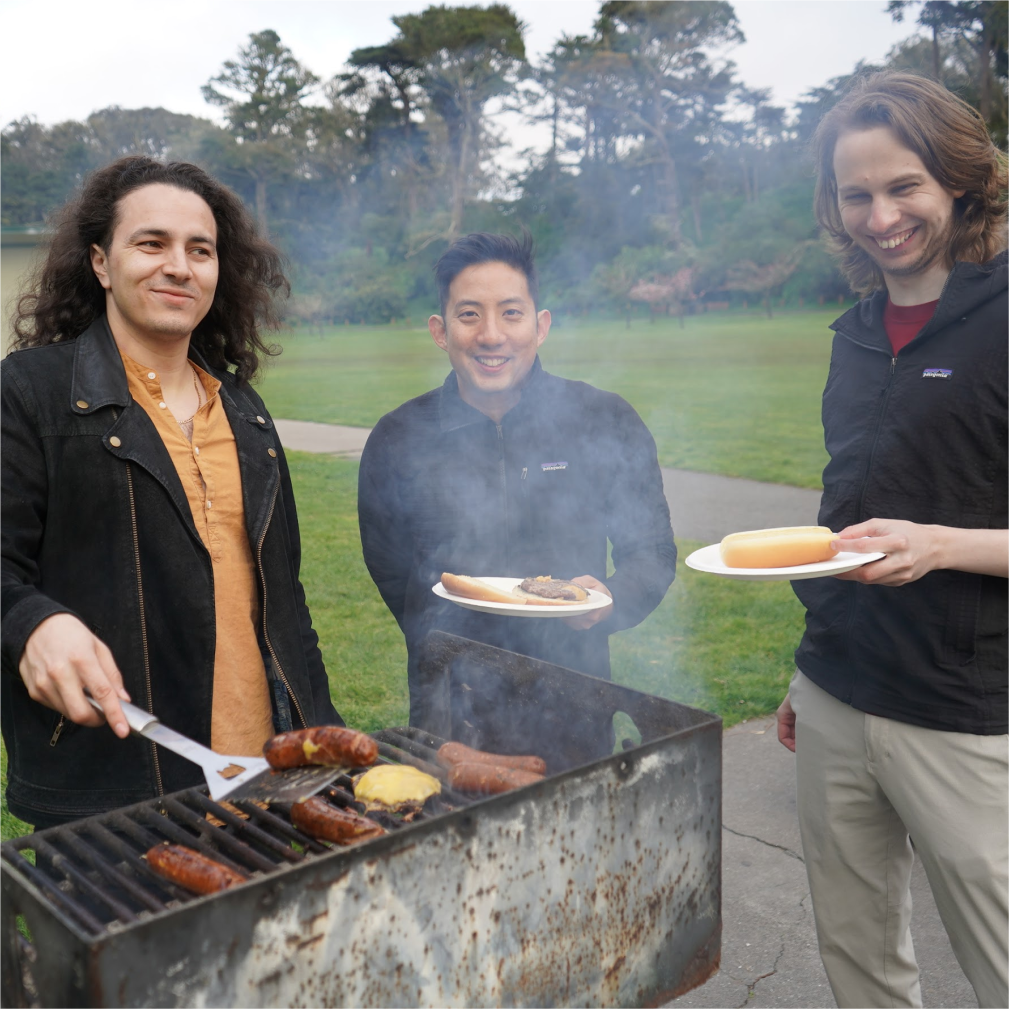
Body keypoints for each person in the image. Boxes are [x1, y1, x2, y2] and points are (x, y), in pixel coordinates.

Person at [0, 156, 341, 830]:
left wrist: (321, 737)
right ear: (101, 262)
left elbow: (285, 605)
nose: (179, 266)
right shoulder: (30, 391)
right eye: (151, 243)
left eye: (200, 250)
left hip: (261, 782)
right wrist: (30, 622)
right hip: (115, 792)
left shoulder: (245, 413)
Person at [776, 71, 1009, 1008]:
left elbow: (922, 530)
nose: (880, 216)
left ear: (957, 179)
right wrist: (806, 667)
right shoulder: (857, 330)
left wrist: (942, 546)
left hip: (965, 708)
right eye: (855, 193)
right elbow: (846, 510)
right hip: (839, 690)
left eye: (902, 186)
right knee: (859, 957)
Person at [358, 232, 676, 748]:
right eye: (469, 315)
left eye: (511, 313)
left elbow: (653, 552)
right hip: (449, 707)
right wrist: (445, 635)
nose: (491, 335)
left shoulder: (603, 418)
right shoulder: (399, 437)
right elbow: (393, 570)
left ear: (540, 325)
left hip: (576, 700)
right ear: (440, 330)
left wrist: (613, 598)